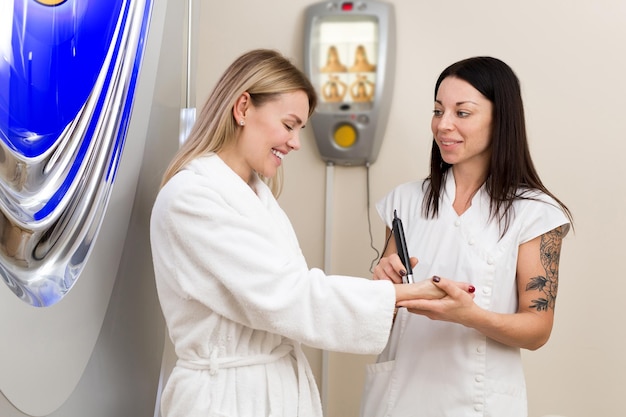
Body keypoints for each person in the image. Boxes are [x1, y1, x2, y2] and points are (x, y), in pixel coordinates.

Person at [149, 49, 472, 417]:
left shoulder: (256, 194)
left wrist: (395, 295)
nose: (295, 143)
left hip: (272, 389)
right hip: (225, 398)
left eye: (299, 130)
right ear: (242, 108)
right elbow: (287, 296)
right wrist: (401, 294)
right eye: (289, 125)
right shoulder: (192, 197)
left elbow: (291, 294)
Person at [360, 56, 573, 417]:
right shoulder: (404, 202)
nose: (443, 125)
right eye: (438, 110)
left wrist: (468, 315)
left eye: (462, 113)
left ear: (500, 119)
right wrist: (384, 291)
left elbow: (537, 329)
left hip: (479, 401)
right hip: (398, 397)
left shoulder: (536, 213)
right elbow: (384, 319)